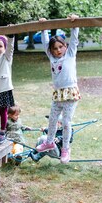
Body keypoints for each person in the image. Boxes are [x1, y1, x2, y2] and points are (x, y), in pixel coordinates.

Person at [34, 14, 81, 164]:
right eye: (55, 48)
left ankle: (66, 149)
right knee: (52, 120)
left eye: (61, 47)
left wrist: (75, 24)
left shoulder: (70, 54)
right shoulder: (52, 58)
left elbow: (74, 40)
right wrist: (43, 28)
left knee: (66, 122)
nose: (58, 50)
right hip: (58, 94)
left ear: (65, 47)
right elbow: (45, 43)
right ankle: (49, 142)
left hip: (70, 93)